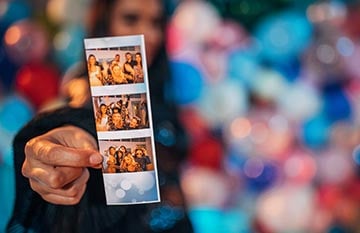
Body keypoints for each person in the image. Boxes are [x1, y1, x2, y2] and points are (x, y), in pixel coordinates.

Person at [7, 0, 193, 232]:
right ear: (105, 24)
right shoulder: (101, 85)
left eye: (156, 22)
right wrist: (69, 136)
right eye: (130, 19)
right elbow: (84, 117)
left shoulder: (159, 87)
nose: (149, 34)